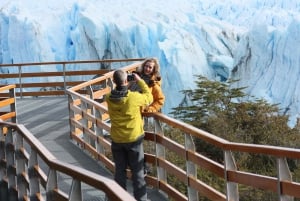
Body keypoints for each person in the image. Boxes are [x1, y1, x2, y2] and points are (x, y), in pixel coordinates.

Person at [106, 69, 153, 201]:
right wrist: (140, 81)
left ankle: (119, 198)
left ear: (114, 82)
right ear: (127, 81)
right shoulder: (133, 97)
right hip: (134, 139)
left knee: (119, 171)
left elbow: (117, 93)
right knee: (137, 173)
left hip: (117, 139)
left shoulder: (108, 98)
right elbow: (149, 97)